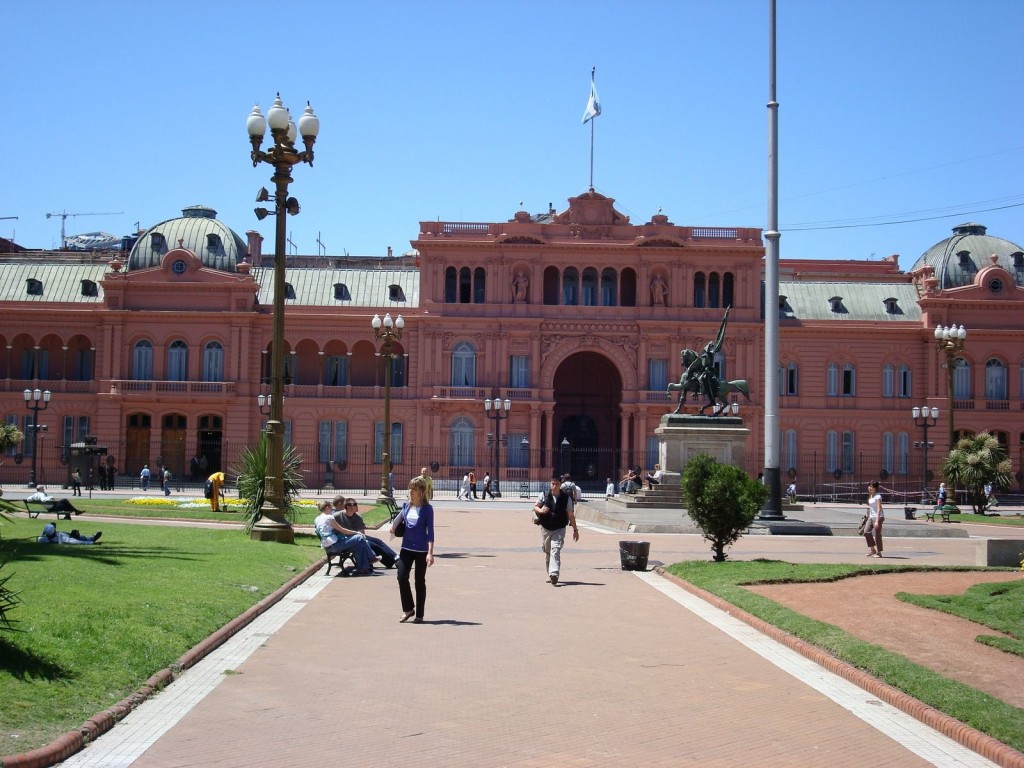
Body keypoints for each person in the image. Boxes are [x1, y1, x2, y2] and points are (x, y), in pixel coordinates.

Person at [393, 476, 435, 623]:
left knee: (419, 581)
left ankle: (420, 615)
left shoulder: (427, 509)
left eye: (414, 489)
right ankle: (409, 609)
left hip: (421, 550)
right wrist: (394, 528)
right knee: (401, 577)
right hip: (406, 548)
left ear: (421, 491)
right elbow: (399, 521)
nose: (410, 492)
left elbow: (430, 532)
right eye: (410, 489)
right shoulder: (406, 506)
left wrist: (430, 553)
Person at [533, 477, 579, 586]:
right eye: (552, 484)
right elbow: (535, 506)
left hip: (559, 528)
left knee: (555, 548)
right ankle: (550, 573)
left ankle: (554, 574)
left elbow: (570, 515)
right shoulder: (544, 495)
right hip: (545, 528)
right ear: (550, 484)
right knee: (548, 551)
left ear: (560, 485)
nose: (554, 486)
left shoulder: (566, 498)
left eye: (556, 484)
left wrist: (575, 530)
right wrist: (541, 510)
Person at [332, 496, 397, 568]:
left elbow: (362, 534)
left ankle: (396, 557)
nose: (357, 506)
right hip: (346, 539)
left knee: (378, 541)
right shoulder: (337, 516)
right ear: (348, 507)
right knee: (373, 545)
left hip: (357, 536)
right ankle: (390, 561)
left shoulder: (357, 517)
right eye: (355, 504)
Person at [314, 500, 376, 575]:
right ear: (327, 507)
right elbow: (342, 530)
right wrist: (356, 532)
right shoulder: (329, 517)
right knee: (359, 537)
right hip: (334, 546)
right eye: (331, 508)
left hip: (328, 546)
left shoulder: (317, 519)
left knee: (358, 545)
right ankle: (372, 557)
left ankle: (364, 569)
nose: (332, 510)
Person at [864, 480, 885, 557]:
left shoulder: (878, 496)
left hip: (878, 517)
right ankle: (872, 550)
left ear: (875, 488)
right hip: (871, 516)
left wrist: (877, 520)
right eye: (869, 486)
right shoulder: (871, 495)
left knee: (877, 534)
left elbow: (879, 508)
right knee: (866, 532)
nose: (869, 488)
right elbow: (871, 507)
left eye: (871, 486)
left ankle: (879, 552)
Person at [37, 523, 102, 545]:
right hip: (72, 537)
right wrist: (91, 543)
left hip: (65, 534)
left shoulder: (42, 539)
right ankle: (92, 538)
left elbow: (40, 537)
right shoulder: (61, 538)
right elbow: (76, 542)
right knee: (76, 533)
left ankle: (91, 538)